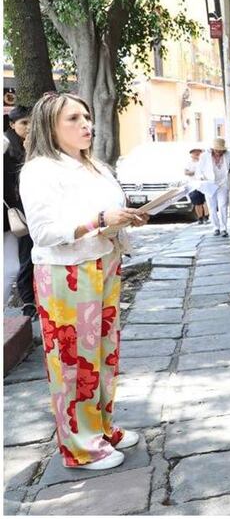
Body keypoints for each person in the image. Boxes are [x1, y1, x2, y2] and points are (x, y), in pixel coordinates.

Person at [19, 92, 149, 471]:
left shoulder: (96, 166)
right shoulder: (39, 170)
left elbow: (108, 216)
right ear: (50, 126)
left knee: (104, 355)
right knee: (73, 360)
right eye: (73, 119)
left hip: (104, 263)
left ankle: (102, 427)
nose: (86, 124)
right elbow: (43, 232)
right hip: (66, 272)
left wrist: (126, 219)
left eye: (86, 116)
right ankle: (79, 447)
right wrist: (99, 220)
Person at [3, 105, 36, 317]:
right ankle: (27, 302)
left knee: (21, 259)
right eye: (24, 123)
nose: (28, 127)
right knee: (20, 260)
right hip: (15, 211)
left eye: (31, 122)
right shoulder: (6, 147)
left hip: (29, 208)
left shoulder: (31, 146)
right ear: (12, 124)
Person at [197, 138, 230, 237]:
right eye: (216, 150)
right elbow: (199, 170)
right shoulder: (204, 156)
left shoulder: (228, 155)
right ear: (212, 149)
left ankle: (224, 228)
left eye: (220, 150)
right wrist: (201, 178)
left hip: (223, 183)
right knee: (212, 207)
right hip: (210, 183)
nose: (218, 152)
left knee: (223, 205)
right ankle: (216, 227)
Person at [183, 148, 209, 224]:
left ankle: (206, 216)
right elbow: (186, 172)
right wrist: (194, 172)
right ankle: (200, 218)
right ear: (191, 154)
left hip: (204, 183)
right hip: (194, 184)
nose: (197, 154)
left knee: (205, 201)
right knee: (197, 202)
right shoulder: (189, 163)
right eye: (195, 153)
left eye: (198, 152)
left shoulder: (204, 162)